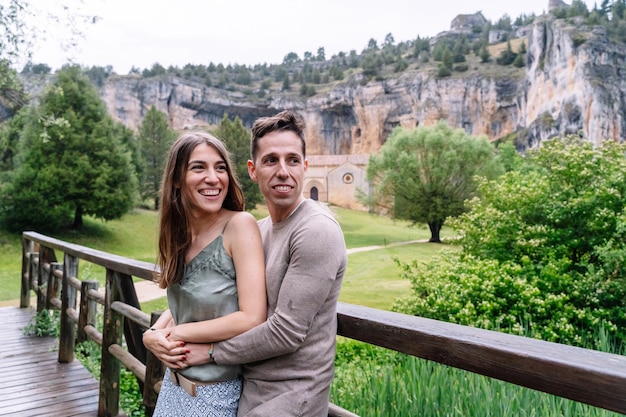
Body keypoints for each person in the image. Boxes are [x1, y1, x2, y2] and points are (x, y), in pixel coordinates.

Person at [149, 110, 348, 416]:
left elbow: (286, 331)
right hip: (249, 387)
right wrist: (154, 333)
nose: (283, 171)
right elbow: (214, 295)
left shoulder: (316, 230)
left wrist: (211, 352)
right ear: (253, 170)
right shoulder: (262, 228)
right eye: (271, 160)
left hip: (290, 397)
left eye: (293, 160)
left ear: (305, 167)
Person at [142, 131, 267, 417]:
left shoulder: (239, 226)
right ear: (176, 179)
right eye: (199, 167)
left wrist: (178, 333)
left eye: (220, 168)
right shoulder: (179, 233)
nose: (213, 178)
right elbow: (187, 302)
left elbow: (252, 316)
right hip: (173, 387)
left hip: (214, 395)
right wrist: (151, 334)